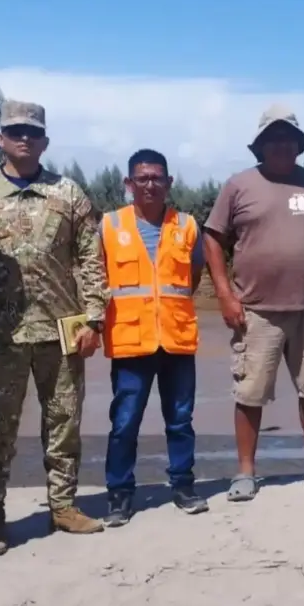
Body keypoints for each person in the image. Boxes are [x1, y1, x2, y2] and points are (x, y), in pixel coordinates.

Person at [0, 100, 109, 555]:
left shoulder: (68, 193)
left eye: (33, 132)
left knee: (64, 421)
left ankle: (63, 505)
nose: (24, 138)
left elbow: (90, 258)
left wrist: (94, 319)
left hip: (63, 328)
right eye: (15, 131)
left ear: (45, 141)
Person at [203, 104, 304, 502]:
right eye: (273, 138)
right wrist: (225, 295)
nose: (281, 144)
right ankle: (245, 472)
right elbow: (212, 239)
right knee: (249, 393)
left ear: (299, 144)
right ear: (260, 145)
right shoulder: (238, 186)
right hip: (255, 310)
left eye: (288, 137)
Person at [99, 149, 209, 526]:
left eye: (157, 178)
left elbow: (193, 276)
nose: (150, 184)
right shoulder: (110, 225)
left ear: (169, 182)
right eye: (142, 178)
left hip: (176, 339)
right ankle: (120, 493)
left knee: (180, 419)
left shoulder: (188, 226)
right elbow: (96, 278)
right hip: (130, 342)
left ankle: (183, 486)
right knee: (124, 423)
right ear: (129, 183)